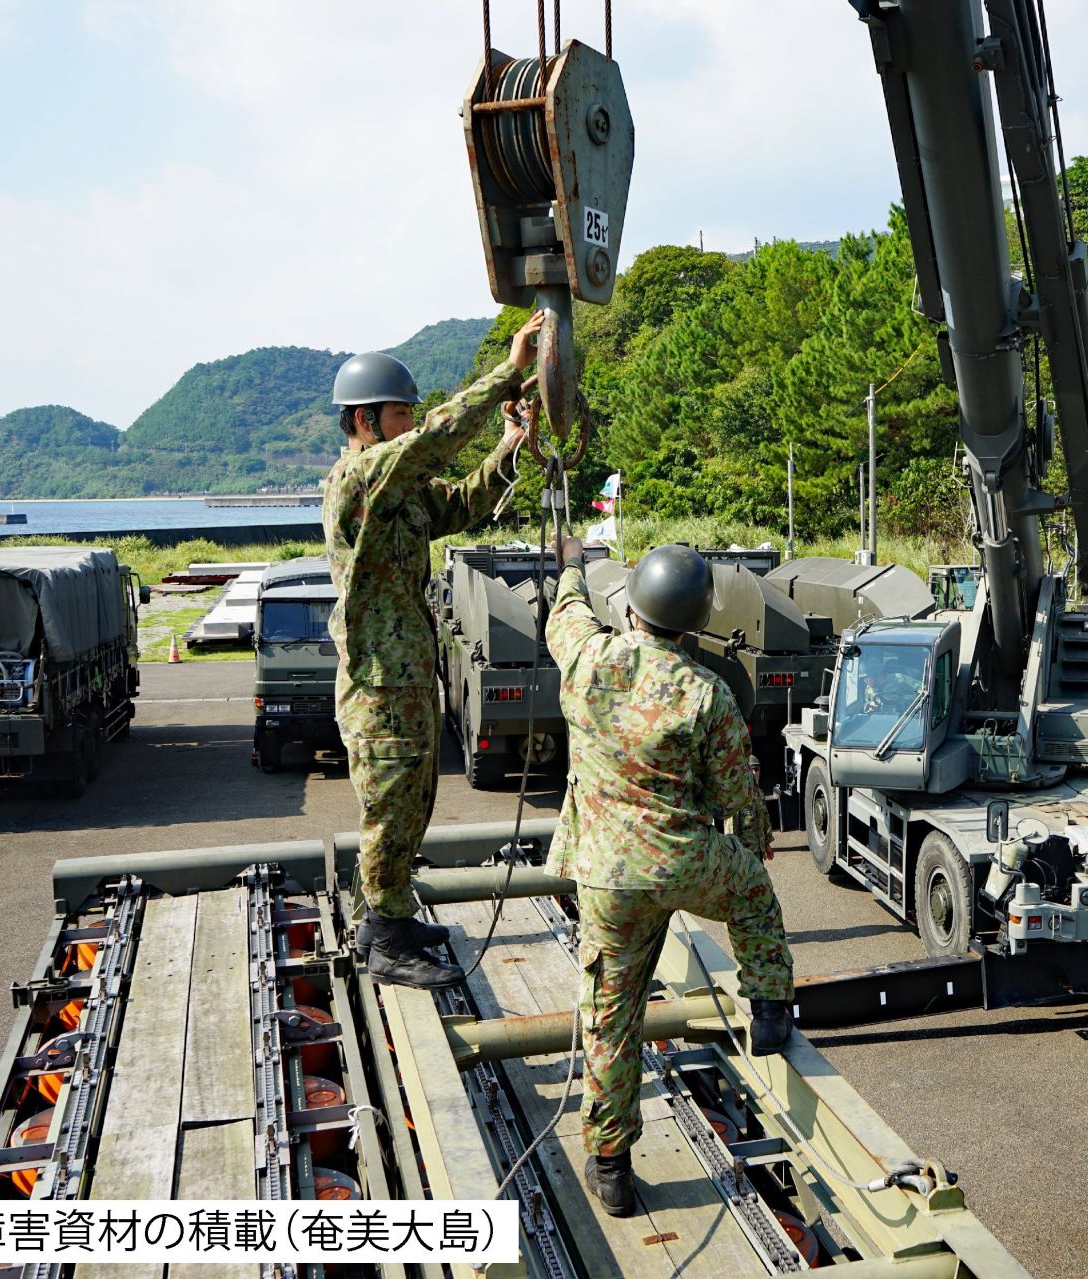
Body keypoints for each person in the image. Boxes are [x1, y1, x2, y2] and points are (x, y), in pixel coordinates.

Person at [546, 537, 794, 1219]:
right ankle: (770, 1008)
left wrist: (571, 560)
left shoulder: (586, 657)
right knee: (753, 894)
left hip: (602, 875)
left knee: (610, 1014)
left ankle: (612, 1166)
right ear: (694, 622)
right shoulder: (706, 692)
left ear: (631, 608)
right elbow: (738, 795)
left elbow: (564, 611)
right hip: (683, 861)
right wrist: (751, 846)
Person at [325, 311, 545, 989]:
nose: (411, 423)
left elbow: (463, 501)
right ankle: (385, 936)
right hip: (380, 685)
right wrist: (508, 372)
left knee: (413, 802)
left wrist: (509, 445)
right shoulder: (360, 481)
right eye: (400, 414)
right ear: (364, 421)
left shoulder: (402, 493)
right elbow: (439, 438)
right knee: (389, 806)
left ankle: (388, 914)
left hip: (409, 677)